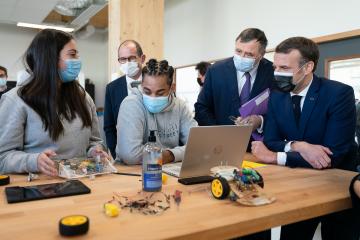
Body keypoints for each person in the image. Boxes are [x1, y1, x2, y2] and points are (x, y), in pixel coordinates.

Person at [251, 37, 359, 240]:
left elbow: (332, 156)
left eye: (284, 67)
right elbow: (271, 140)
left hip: (338, 187)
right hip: (298, 189)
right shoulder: (277, 96)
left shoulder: (338, 94)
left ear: (308, 67)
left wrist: (277, 157)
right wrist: (299, 145)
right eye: (275, 66)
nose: (277, 73)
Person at [0, 29, 109, 176]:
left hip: (83, 183)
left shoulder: (82, 96)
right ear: (50, 58)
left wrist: (96, 152)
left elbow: (95, 141)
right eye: (72, 54)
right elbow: (3, 158)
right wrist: (34, 161)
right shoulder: (16, 100)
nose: (78, 60)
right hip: (42, 187)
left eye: (77, 54)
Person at [116, 59, 198, 165]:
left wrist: (170, 155)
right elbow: (131, 155)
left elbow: (197, 144)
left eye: (160, 93)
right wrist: (173, 154)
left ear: (172, 88)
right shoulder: (131, 104)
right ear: (141, 85)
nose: (153, 98)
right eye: (147, 91)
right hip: (132, 171)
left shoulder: (180, 106)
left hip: (168, 169)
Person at [195, 28, 274, 137]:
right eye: (238, 51)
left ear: (261, 54)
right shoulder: (216, 70)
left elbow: (280, 111)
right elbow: (201, 107)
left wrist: (260, 120)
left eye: (249, 54)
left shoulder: (272, 71)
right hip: (221, 141)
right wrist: (217, 134)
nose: (241, 57)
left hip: (259, 144)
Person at [104, 40, 146, 158]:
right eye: (123, 59)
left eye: (132, 58)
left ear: (142, 58)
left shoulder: (155, 83)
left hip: (153, 153)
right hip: (124, 155)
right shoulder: (112, 88)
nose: (127, 63)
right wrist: (114, 152)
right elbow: (109, 126)